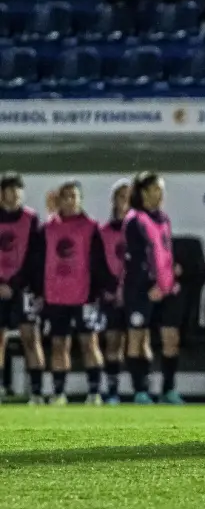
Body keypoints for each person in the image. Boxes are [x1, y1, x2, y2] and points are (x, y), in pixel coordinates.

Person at [31, 181, 112, 405]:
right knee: (59, 344)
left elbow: (99, 261)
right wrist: (38, 290)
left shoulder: (91, 227)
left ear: (80, 199)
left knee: (89, 343)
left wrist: (99, 290)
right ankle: (59, 393)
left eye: (74, 196)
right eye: (65, 196)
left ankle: (94, 393)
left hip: (84, 296)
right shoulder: (47, 228)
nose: (70, 200)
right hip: (55, 296)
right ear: (59, 200)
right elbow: (38, 262)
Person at [123, 171, 185, 405]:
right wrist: (150, 284)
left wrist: (172, 276)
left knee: (171, 338)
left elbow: (164, 253)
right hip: (141, 290)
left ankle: (168, 389)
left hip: (167, 290)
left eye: (161, 190)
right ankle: (140, 390)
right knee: (138, 339)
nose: (159, 195)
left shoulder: (164, 219)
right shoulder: (134, 220)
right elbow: (137, 258)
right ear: (142, 193)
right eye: (153, 190)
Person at [0, 172, 45, 403]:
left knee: (31, 336)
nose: (15, 195)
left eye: (18, 190)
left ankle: (37, 391)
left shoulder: (31, 219)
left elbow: (35, 257)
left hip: (23, 287)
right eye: (10, 190)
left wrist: (16, 283)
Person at [98, 179, 130, 404]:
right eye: (121, 197)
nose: (125, 202)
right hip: (111, 296)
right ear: (114, 201)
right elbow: (97, 263)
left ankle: (142, 390)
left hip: (136, 294)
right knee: (113, 342)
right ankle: (112, 391)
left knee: (140, 341)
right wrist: (110, 289)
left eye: (129, 197)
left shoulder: (143, 227)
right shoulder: (103, 231)